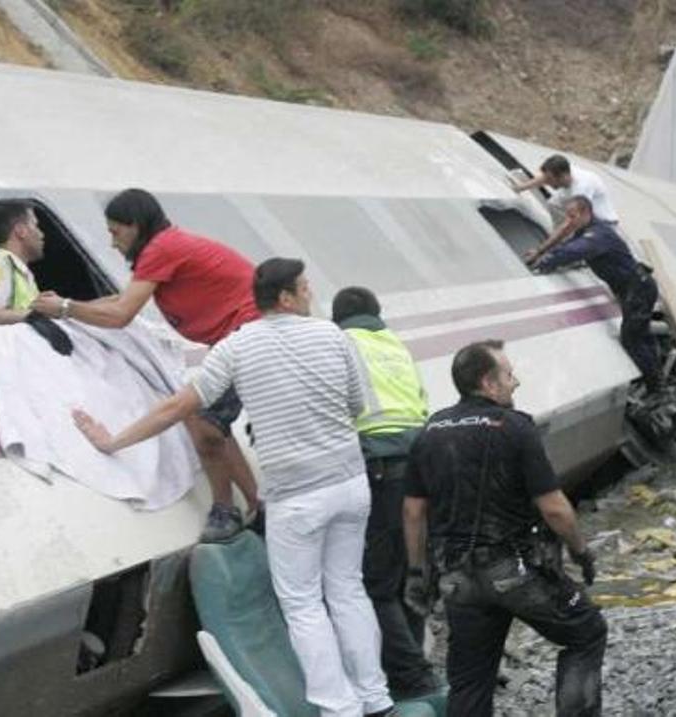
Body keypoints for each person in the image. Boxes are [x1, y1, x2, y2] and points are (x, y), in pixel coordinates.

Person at [71, 258, 395, 717]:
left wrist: (113, 440)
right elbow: (358, 405)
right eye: (304, 287)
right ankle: (376, 699)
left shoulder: (236, 348)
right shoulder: (333, 336)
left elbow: (178, 408)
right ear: (286, 297)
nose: (310, 293)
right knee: (347, 589)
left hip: (297, 499)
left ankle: (339, 709)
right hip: (348, 486)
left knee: (303, 604)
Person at [31, 189, 258, 542]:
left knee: (199, 419)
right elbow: (124, 299)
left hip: (249, 335)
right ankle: (256, 505)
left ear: (136, 226)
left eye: (115, 232)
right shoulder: (166, 247)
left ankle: (227, 509)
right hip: (243, 335)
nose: (112, 243)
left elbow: (120, 315)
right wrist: (70, 307)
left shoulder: (160, 249)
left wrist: (64, 309)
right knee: (212, 425)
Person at [402, 340, 606, 716]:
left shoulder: (430, 432)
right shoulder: (515, 427)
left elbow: (414, 512)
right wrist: (580, 551)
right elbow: (554, 508)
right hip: (515, 571)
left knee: (470, 678)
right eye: (509, 375)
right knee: (587, 632)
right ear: (488, 383)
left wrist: (418, 573)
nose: (516, 382)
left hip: (457, 580)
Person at [331, 287, 441, 700]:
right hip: (424, 461)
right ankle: (408, 669)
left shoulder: (341, 343)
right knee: (412, 570)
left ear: (338, 320)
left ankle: (414, 678)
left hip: (382, 466)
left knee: (378, 584)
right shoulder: (395, 344)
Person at [531, 195, 661, 392]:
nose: (569, 221)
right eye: (567, 216)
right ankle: (653, 374)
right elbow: (568, 245)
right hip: (634, 287)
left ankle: (654, 385)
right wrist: (542, 252)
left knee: (631, 338)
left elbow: (573, 251)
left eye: (572, 216)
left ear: (586, 213)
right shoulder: (586, 230)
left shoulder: (597, 235)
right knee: (640, 334)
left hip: (637, 288)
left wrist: (545, 263)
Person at [0, 199, 72, 354]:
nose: (42, 234)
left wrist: (40, 308)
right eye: (36, 225)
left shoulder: (19, 271)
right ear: (21, 231)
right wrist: (31, 316)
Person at [511, 154, 619, 266]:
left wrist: (540, 251)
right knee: (553, 204)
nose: (547, 183)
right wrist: (520, 188)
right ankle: (558, 240)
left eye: (550, 180)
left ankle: (572, 250)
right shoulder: (564, 169)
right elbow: (545, 177)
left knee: (570, 237)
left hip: (602, 224)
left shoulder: (581, 190)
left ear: (563, 176)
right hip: (583, 212)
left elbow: (569, 225)